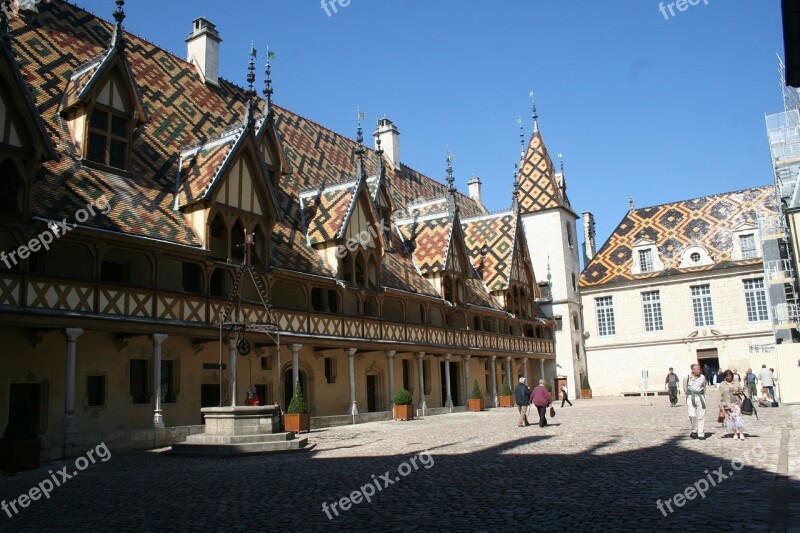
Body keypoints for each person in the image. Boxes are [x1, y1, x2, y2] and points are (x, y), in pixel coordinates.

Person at [719, 370, 745, 440]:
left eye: (730, 376)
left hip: (736, 403)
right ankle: (735, 433)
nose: (729, 377)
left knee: (738, 418)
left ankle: (741, 433)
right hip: (727, 404)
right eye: (727, 376)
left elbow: (742, 391)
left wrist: (738, 392)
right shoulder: (722, 384)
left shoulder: (736, 383)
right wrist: (721, 407)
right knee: (731, 419)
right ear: (725, 377)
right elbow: (720, 396)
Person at [685, 363, 707, 440]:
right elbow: (685, 388)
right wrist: (689, 395)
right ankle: (694, 430)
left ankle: (701, 433)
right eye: (697, 369)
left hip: (700, 397)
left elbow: (704, 386)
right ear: (693, 370)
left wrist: (703, 396)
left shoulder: (702, 377)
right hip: (691, 397)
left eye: (699, 369)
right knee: (692, 415)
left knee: (701, 416)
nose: (699, 370)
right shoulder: (687, 377)